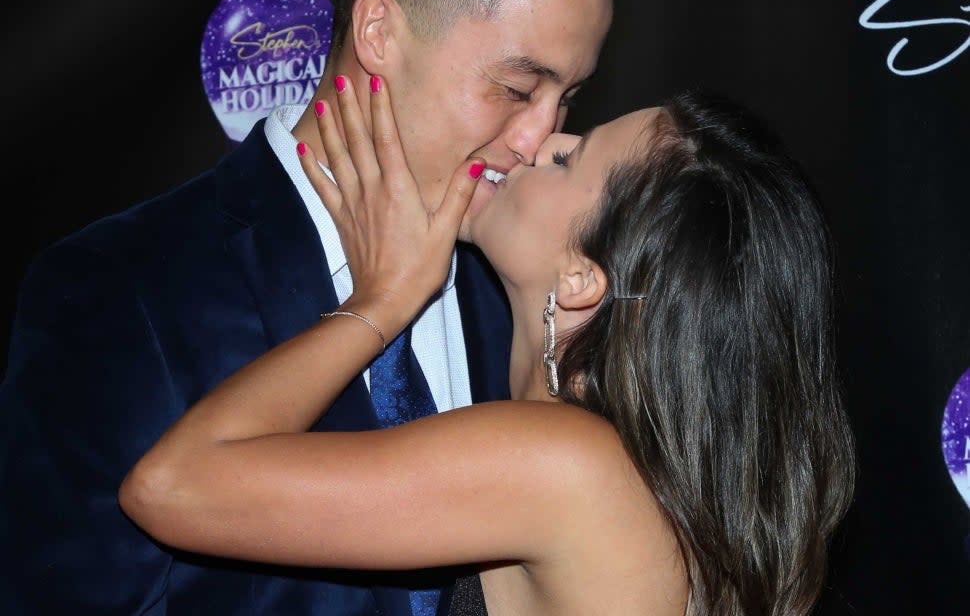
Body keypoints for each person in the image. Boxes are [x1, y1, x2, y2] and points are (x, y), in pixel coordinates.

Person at [0, 0, 621, 614]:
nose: (537, 137)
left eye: (567, 97)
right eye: (516, 87)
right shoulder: (120, 290)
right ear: (378, 32)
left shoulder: (524, 288)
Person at [119, 78, 856, 616]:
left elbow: (173, 486)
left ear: (580, 277)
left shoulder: (568, 463)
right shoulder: (641, 476)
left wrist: (383, 300)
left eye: (570, 161)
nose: (537, 142)